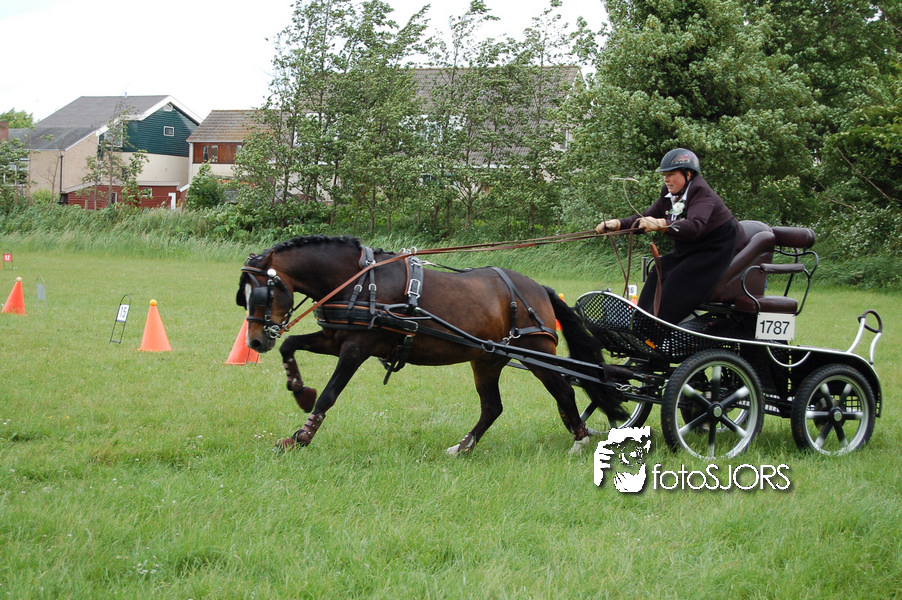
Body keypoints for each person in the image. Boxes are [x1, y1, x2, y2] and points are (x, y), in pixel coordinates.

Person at [595, 148, 740, 324]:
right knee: (659, 270)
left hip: (714, 247)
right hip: (689, 246)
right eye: (664, 175)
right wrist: (618, 224)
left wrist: (660, 224)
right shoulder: (670, 193)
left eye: (671, 174)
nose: (666, 179)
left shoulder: (701, 192)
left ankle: (658, 326)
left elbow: (695, 226)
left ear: (688, 174)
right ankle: (640, 321)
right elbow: (646, 217)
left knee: (677, 278)